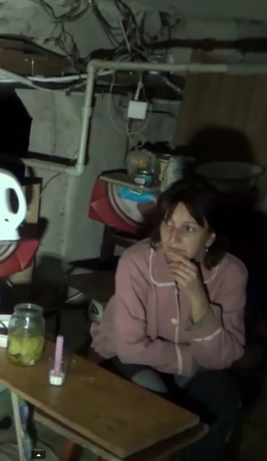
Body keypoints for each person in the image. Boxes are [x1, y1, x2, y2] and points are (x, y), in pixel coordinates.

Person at [90, 177, 246, 461]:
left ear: (209, 237)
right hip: (129, 357)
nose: (172, 238)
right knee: (156, 409)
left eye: (188, 229)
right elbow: (130, 348)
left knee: (223, 399)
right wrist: (191, 361)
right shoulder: (136, 262)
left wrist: (198, 299)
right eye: (168, 223)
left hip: (192, 364)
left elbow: (221, 359)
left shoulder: (231, 273)